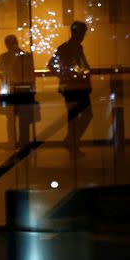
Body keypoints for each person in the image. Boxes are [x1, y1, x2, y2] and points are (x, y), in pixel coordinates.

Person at [48, 21, 92, 159]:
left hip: (73, 88)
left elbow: (52, 65)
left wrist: (63, 75)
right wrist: (65, 75)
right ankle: (72, 143)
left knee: (75, 118)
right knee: (83, 116)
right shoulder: (70, 48)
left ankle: (72, 143)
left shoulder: (70, 47)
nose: (84, 35)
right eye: (82, 32)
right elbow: (52, 65)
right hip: (75, 88)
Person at [0, 35, 38, 148]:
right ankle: (24, 143)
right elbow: (31, 74)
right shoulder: (27, 56)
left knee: (10, 119)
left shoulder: (4, 57)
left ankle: (12, 142)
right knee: (24, 119)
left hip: (10, 90)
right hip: (24, 91)